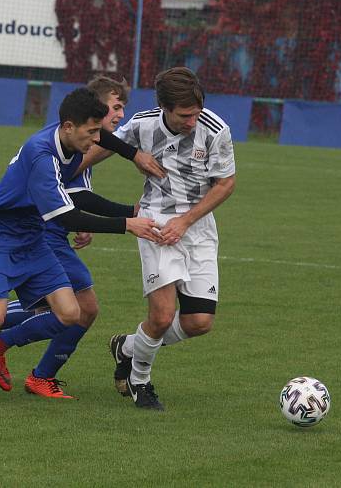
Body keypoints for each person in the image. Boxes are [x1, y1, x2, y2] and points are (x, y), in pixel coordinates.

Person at [0, 88, 163, 407]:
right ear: (68, 127)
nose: (95, 140)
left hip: (32, 237)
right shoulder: (42, 156)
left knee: (70, 313)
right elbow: (65, 215)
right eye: (90, 132)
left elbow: (104, 139)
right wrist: (127, 223)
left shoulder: (71, 136)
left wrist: (133, 154)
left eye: (96, 130)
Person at [80, 67, 237, 410]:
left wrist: (186, 221)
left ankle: (127, 346)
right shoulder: (142, 124)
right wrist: (67, 184)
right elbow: (93, 150)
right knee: (163, 315)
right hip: (154, 221)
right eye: (184, 116)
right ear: (165, 107)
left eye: (196, 113)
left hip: (196, 227)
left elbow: (225, 183)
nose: (192, 121)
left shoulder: (215, 130)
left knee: (199, 322)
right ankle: (140, 381)